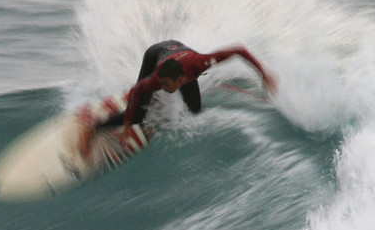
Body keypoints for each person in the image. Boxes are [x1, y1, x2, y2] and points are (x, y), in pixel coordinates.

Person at [78, 40, 277, 157]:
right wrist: (129, 124)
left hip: (180, 54)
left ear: (180, 79)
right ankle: (92, 129)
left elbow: (238, 50)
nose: (163, 88)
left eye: (167, 86)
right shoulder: (157, 78)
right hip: (155, 54)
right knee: (139, 112)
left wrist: (263, 74)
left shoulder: (201, 64)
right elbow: (139, 91)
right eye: (161, 85)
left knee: (195, 111)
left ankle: (151, 104)